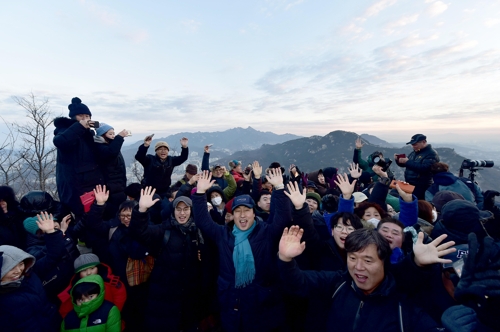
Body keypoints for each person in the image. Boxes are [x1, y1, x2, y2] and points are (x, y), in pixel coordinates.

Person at [277, 226, 456, 332]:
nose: (358, 267)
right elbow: (298, 282)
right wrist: (285, 259)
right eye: (352, 258)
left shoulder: (403, 306)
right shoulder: (336, 284)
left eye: (368, 260)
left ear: (383, 262)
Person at [192, 169, 292, 331]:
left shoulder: (266, 233)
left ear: (254, 213)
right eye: (238, 211)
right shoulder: (222, 234)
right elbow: (203, 221)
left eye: (247, 210)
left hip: (261, 307)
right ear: (233, 214)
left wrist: (280, 188)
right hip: (230, 305)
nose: (242, 215)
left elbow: (283, 218)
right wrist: (200, 192)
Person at [129, 188, 206, 331]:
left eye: (186, 209)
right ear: (173, 211)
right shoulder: (164, 230)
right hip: (163, 297)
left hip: (188, 297)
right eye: (178, 209)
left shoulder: (197, 232)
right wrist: (141, 210)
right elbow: (139, 233)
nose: (182, 213)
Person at [0, 213, 65, 332]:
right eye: (11, 268)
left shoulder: (30, 275)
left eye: (21, 264)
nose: (18, 271)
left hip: (55, 325)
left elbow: (53, 256)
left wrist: (51, 232)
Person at [53, 97, 103, 216]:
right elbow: (61, 142)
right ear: (74, 117)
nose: (85, 119)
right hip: (77, 187)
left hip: (91, 185)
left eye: (87, 116)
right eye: (81, 116)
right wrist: (80, 126)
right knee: (84, 218)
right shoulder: (64, 130)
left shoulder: (88, 134)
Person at [94, 123, 130, 220]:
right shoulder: (100, 146)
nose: (113, 136)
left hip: (118, 186)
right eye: (110, 134)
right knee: (113, 215)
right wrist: (119, 137)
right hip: (111, 188)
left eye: (114, 133)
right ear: (102, 135)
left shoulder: (109, 145)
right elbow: (110, 153)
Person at [395, 134, 439, 200]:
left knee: (418, 203)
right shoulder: (415, 152)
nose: (413, 146)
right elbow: (408, 165)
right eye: (412, 144)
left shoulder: (431, 154)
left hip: (421, 186)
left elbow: (425, 168)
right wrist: (398, 160)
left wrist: (407, 162)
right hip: (410, 184)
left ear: (424, 142)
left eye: (415, 144)